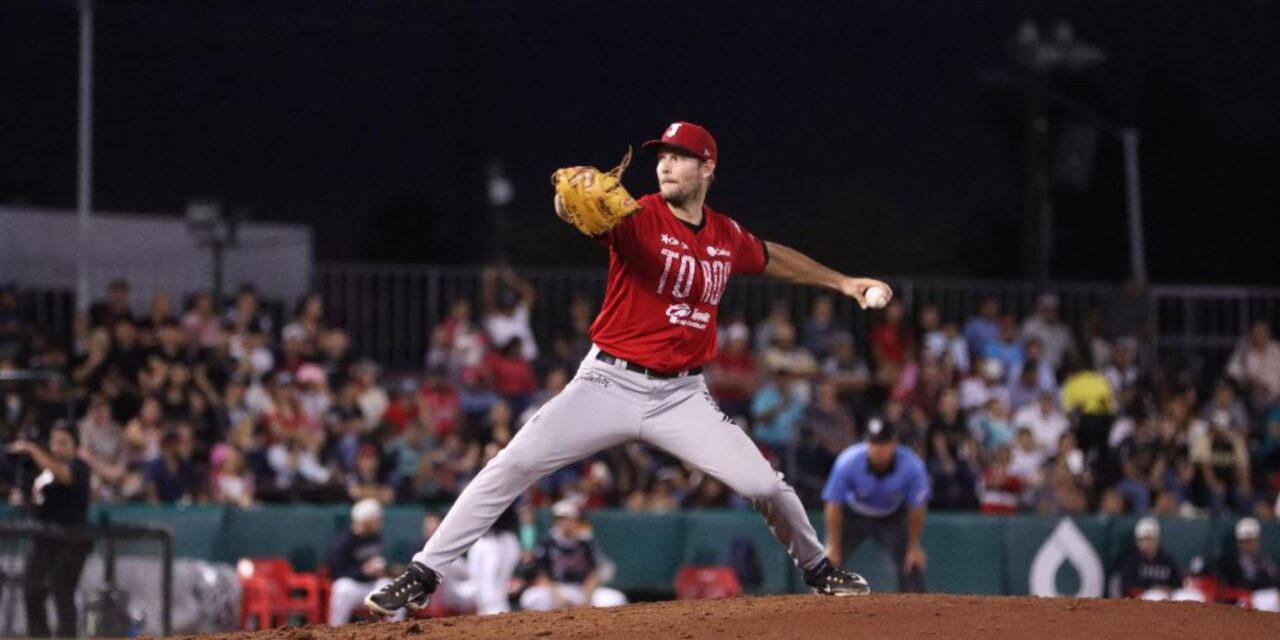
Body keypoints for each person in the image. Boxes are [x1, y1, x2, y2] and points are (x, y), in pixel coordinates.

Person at [366, 121, 887, 614]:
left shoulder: (725, 235)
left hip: (682, 396)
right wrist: (565, 201)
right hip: (607, 382)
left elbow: (772, 257)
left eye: (680, 157)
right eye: (662, 156)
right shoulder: (635, 216)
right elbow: (576, 210)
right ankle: (422, 573)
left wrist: (844, 283)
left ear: (707, 168)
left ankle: (818, 568)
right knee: (513, 463)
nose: (665, 165)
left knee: (767, 486)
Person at [822, 419, 929, 593]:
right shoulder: (848, 461)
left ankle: (917, 612)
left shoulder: (912, 466)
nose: (878, 449)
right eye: (873, 442)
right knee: (827, 562)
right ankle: (816, 611)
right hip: (854, 514)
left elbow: (916, 508)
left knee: (913, 563)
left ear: (894, 444)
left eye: (883, 443)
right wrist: (833, 545)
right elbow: (833, 504)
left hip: (892, 515)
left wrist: (914, 546)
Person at [7, 425, 93, 638]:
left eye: (63, 442)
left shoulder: (79, 466)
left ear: (75, 447)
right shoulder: (43, 471)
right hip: (44, 538)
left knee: (62, 589)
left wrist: (34, 450)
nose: (57, 447)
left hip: (72, 539)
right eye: (54, 441)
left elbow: (65, 476)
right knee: (32, 590)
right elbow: (35, 494)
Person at [518, 500, 627, 611]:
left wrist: (587, 596)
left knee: (615, 599)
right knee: (531, 597)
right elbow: (541, 575)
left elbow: (595, 572)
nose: (564, 522)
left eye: (567, 518)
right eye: (560, 519)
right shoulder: (547, 545)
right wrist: (558, 595)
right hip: (557, 590)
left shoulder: (586, 544)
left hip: (582, 589)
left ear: (575, 520)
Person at [328, 499, 394, 626]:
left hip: (372, 585)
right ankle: (335, 630)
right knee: (341, 587)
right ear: (365, 521)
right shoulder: (344, 541)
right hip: (354, 587)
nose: (380, 522)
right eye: (376, 519)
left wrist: (380, 570)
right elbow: (337, 572)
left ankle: (396, 631)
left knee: (392, 587)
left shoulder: (375, 536)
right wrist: (362, 571)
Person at [1117, 517, 1203, 601]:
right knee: (1155, 596)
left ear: (1157, 540)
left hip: (1168, 597)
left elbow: (1178, 585)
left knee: (1192, 596)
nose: (1146, 543)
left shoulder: (1166, 560)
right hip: (1144, 601)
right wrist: (1153, 588)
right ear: (1137, 542)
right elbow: (1128, 588)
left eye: (1150, 539)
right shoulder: (1132, 562)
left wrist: (1168, 590)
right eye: (1143, 540)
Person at [1217, 517, 1280, 612]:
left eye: (1252, 540)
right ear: (1239, 543)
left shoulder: (1265, 561)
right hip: (1247, 598)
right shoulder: (1232, 563)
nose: (1250, 544)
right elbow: (1235, 585)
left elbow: (1275, 579)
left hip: (1269, 596)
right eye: (1246, 541)